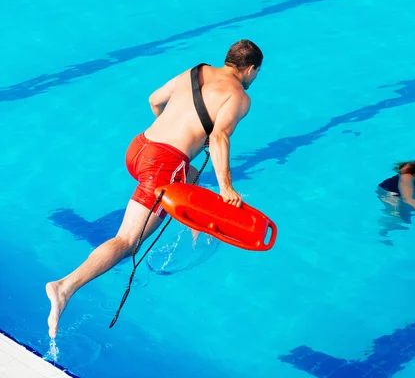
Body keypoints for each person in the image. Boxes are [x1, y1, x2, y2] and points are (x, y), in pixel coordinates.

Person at [45, 39, 263, 338]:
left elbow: (154, 100)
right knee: (127, 242)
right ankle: (64, 287)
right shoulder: (239, 96)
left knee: (189, 174)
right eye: (256, 73)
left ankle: (193, 223)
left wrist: (173, 139)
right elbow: (221, 137)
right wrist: (226, 187)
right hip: (163, 165)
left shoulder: (196, 70)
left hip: (140, 148)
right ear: (251, 69)